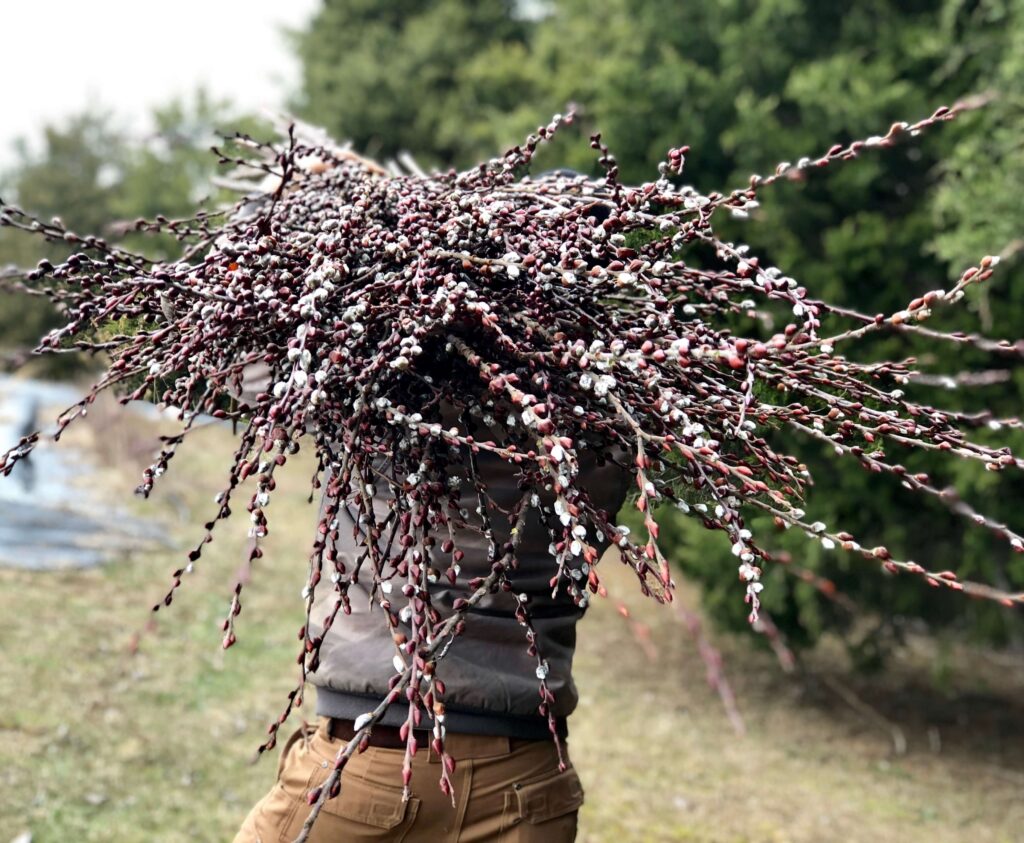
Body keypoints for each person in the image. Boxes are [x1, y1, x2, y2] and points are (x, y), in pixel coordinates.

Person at [232, 404, 632, 842]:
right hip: (531, 786)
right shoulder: (611, 417)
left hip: (370, 767)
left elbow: (253, 377)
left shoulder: (384, 378)